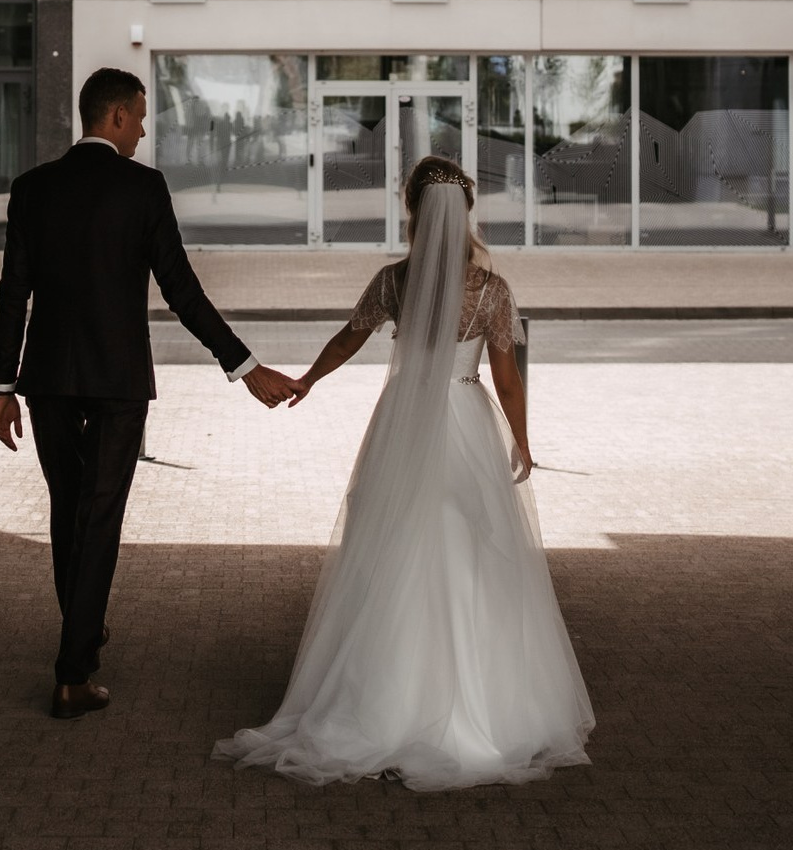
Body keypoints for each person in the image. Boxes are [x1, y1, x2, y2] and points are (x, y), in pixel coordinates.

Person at [215, 156, 594, 789]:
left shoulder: (396, 279)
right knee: (469, 547)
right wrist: (522, 439)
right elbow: (505, 374)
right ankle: (480, 703)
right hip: (465, 418)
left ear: (414, 212)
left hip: (404, 418)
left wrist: (310, 377)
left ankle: (383, 696)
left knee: (394, 543)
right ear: (466, 213)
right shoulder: (491, 289)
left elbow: (349, 337)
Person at [0, 67, 298, 719]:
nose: (146, 127)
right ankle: (72, 673)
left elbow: (14, 291)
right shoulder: (142, 188)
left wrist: (2, 384)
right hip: (118, 381)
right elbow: (181, 290)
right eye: (142, 114)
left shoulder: (32, 189)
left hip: (47, 379)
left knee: (68, 506)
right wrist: (243, 366)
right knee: (98, 517)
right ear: (118, 118)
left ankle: (83, 629)